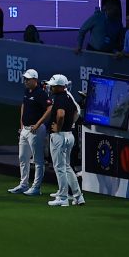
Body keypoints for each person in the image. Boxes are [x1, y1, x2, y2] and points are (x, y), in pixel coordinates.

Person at [9, 68, 51, 196]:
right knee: (23, 157)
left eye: (28, 79)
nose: (25, 81)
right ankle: (23, 184)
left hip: (36, 130)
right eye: (25, 79)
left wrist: (38, 124)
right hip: (25, 129)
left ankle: (36, 187)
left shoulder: (41, 93)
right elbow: (23, 105)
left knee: (38, 160)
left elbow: (49, 108)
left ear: (35, 80)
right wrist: (21, 123)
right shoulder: (27, 91)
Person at [46, 74, 84, 207]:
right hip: (69, 135)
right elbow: (76, 113)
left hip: (59, 136)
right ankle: (78, 196)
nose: (51, 88)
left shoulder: (60, 98)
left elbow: (61, 115)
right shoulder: (68, 96)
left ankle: (63, 197)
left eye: (53, 86)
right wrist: (69, 125)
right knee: (67, 167)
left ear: (60, 87)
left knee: (60, 167)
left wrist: (58, 127)